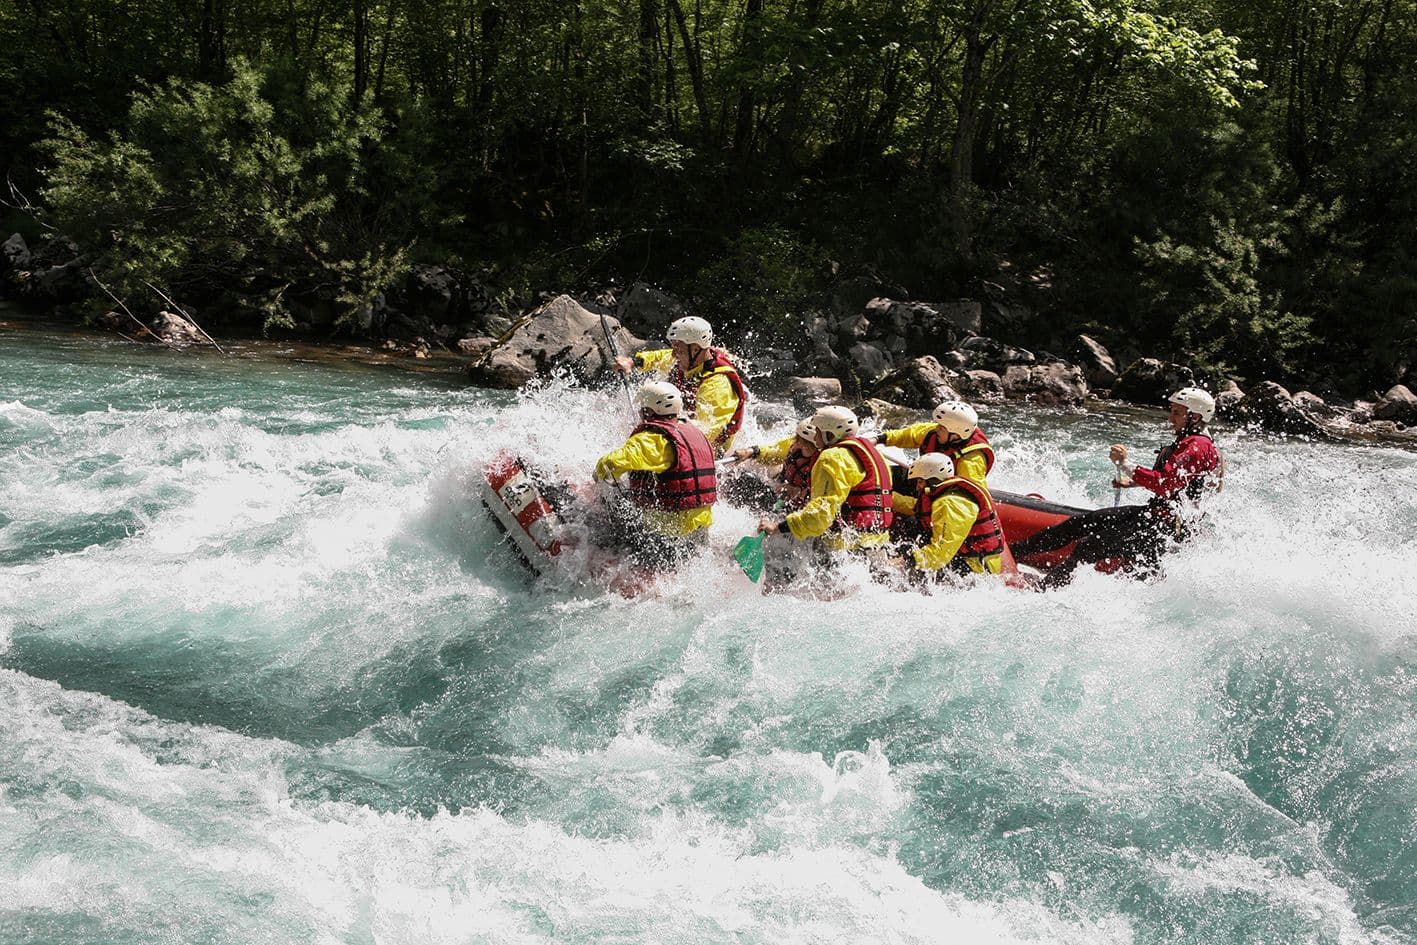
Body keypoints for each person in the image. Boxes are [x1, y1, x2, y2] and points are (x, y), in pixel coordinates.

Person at [1009, 386, 1222, 587]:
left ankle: (1047, 588)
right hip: (1155, 516)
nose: (1170, 418)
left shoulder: (1198, 446)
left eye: (1176, 413)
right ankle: (1011, 552)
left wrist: (1126, 465)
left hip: (1165, 530)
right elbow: (1178, 481)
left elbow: (1165, 485)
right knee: (1082, 523)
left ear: (1194, 417)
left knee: (1088, 546)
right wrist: (1132, 482)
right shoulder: (1193, 442)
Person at [592, 380, 717, 569]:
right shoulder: (694, 431)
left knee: (607, 510)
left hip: (665, 531)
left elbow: (610, 464)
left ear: (650, 411)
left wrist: (597, 476)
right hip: (700, 527)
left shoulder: (651, 440)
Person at [756, 405, 893, 558]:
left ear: (830, 434)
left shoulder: (831, 458)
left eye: (818, 433)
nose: (814, 438)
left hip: (845, 550)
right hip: (878, 547)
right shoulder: (876, 456)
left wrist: (777, 527)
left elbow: (821, 516)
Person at [614, 316, 748, 455]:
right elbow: (661, 357)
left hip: (708, 452)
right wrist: (632, 362)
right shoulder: (689, 358)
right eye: (673, 347)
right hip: (683, 434)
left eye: (678, 350)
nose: (673, 354)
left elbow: (703, 433)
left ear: (695, 349)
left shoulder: (717, 385)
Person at [899, 452, 1006, 581]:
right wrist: (889, 498)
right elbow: (915, 507)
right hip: (964, 560)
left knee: (910, 568)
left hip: (976, 570)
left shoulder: (951, 504)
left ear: (933, 479)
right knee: (911, 524)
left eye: (920, 481)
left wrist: (904, 561)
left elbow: (940, 554)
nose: (917, 487)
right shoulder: (944, 495)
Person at [876, 400, 993, 489]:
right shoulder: (936, 432)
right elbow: (909, 435)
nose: (936, 429)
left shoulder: (971, 460)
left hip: (942, 493)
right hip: (925, 480)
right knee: (881, 474)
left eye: (941, 428)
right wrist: (878, 439)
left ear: (956, 435)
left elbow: (969, 493)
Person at [732, 417, 819, 509]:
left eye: (804, 442)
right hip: (781, 491)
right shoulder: (794, 445)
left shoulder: (822, 461)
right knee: (744, 480)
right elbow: (774, 452)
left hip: (800, 504)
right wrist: (751, 451)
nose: (797, 443)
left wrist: (798, 490)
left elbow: (822, 493)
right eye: (798, 439)